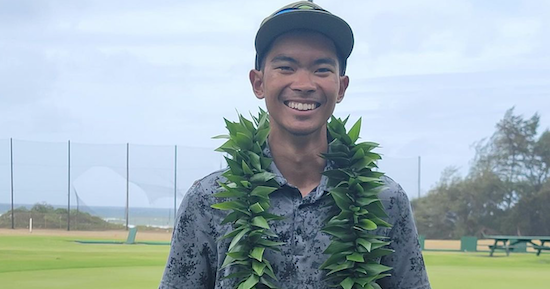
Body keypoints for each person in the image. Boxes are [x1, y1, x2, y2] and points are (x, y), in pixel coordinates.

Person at [159, 1, 431, 289]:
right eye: (286, 67)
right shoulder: (209, 200)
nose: (303, 83)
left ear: (342, 87)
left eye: (322, 69)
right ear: (258, 83)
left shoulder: (385, 201)